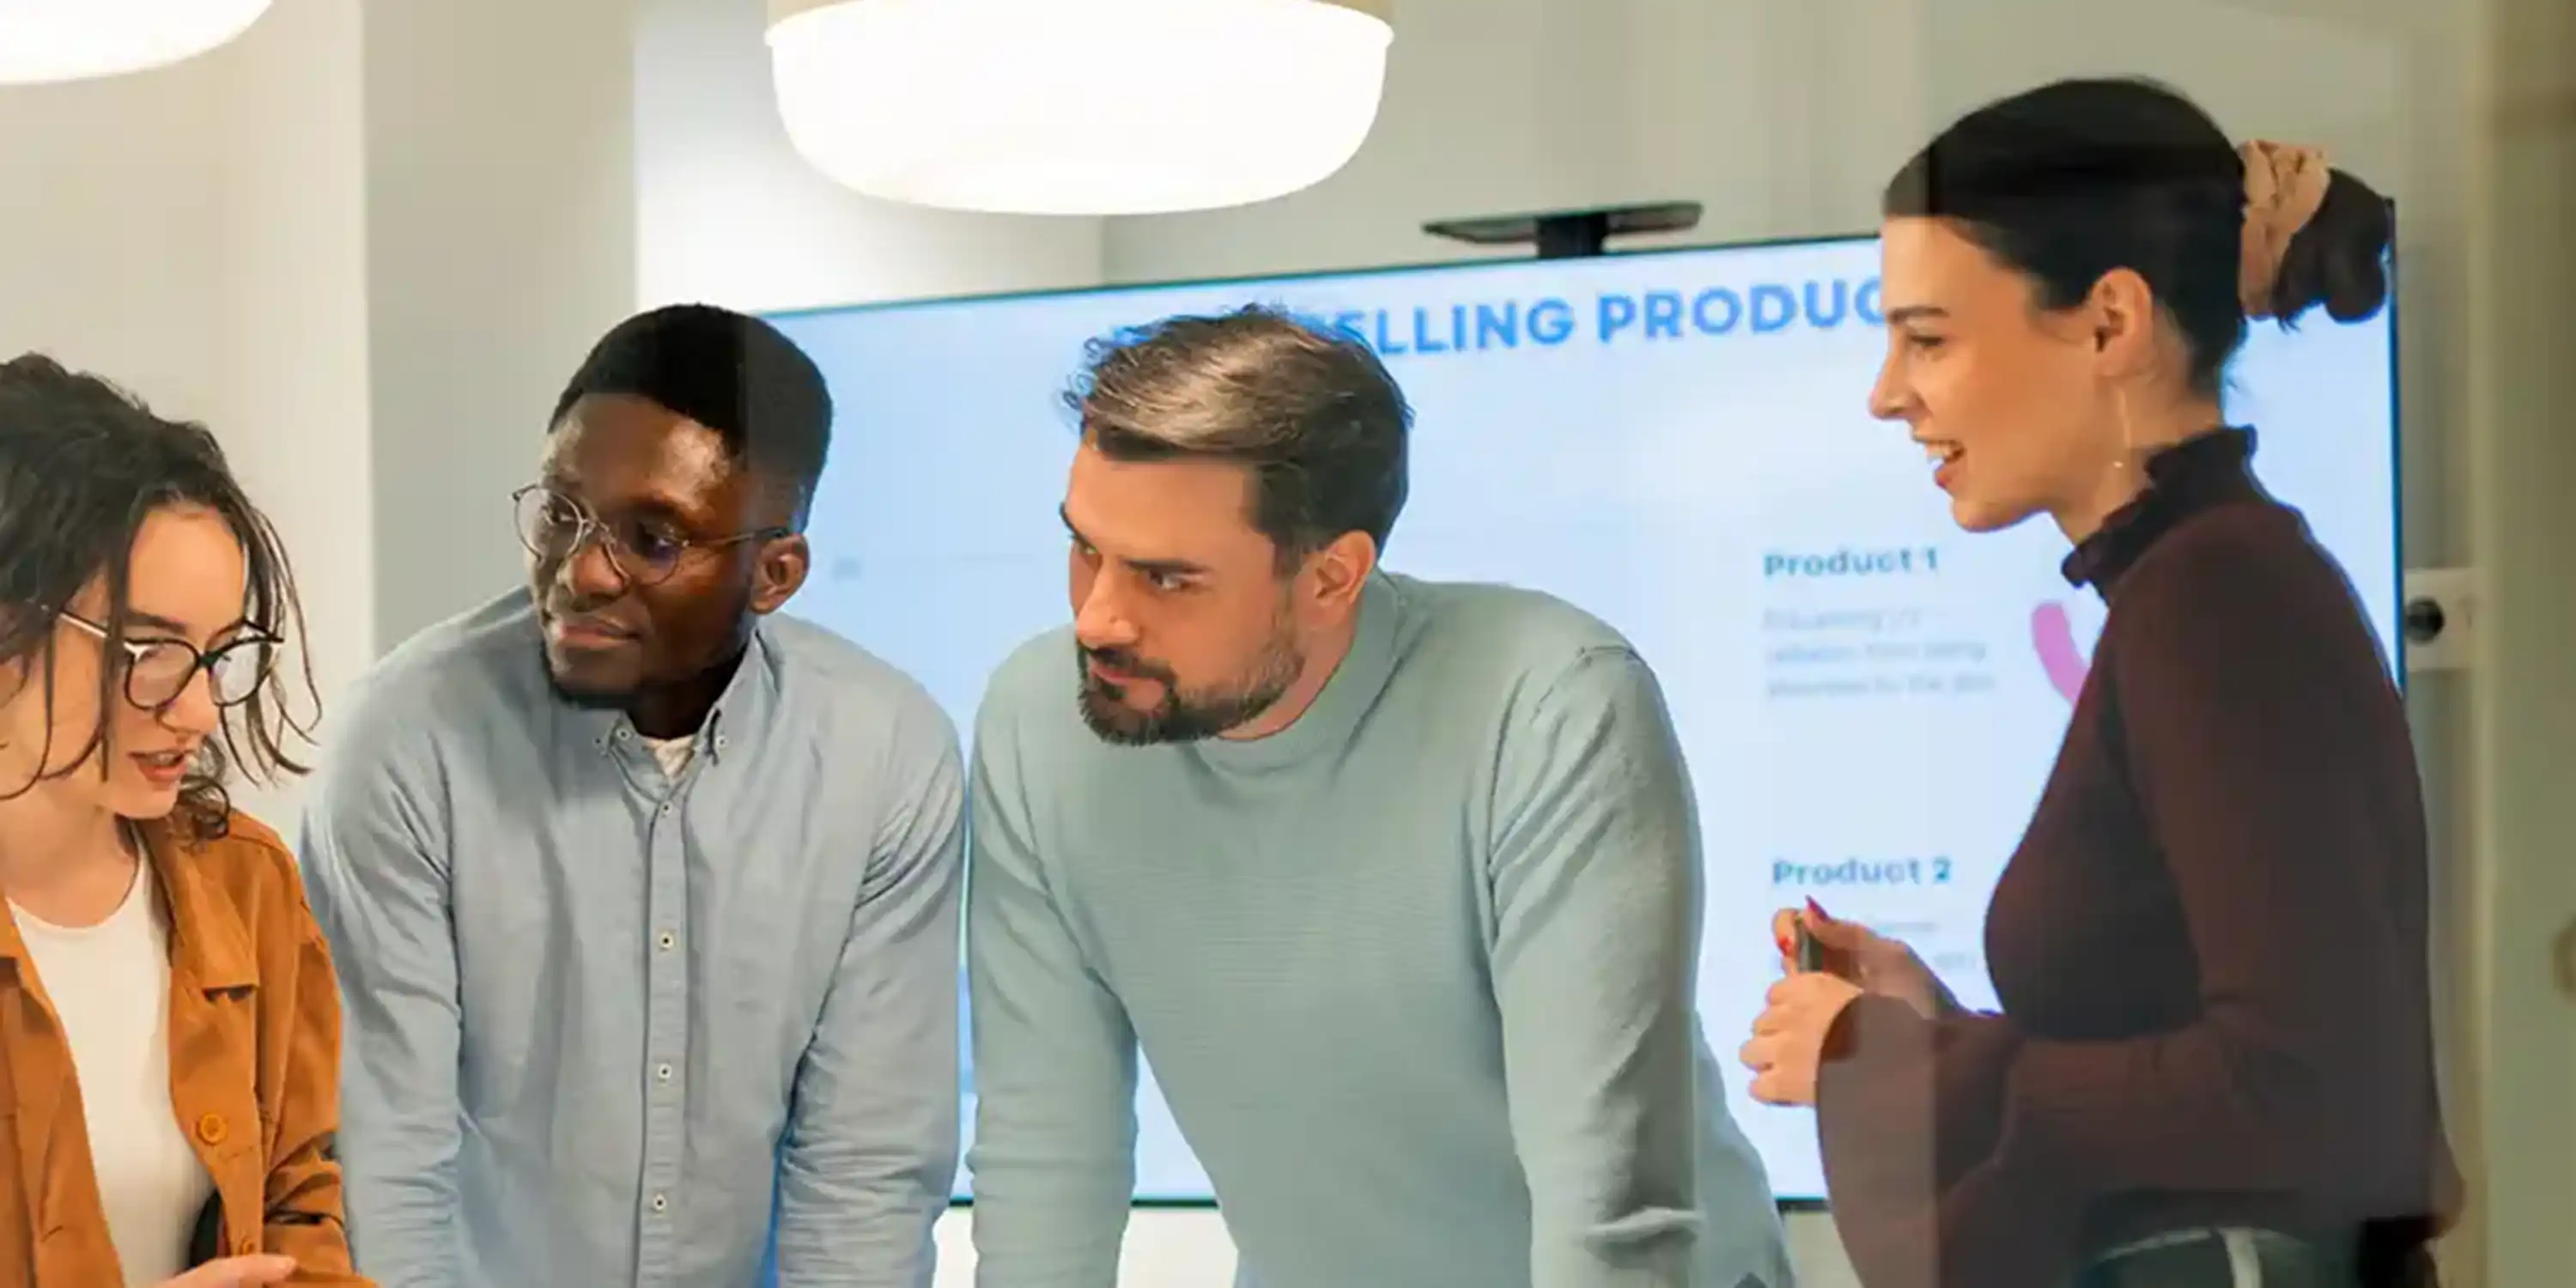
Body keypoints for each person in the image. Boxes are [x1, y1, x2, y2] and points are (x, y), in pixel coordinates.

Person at [1737, 78, 2457, 1288]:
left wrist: (1892, 1062)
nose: (1887, 392)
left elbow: (2301, 1094)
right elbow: (2202, 1082)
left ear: (2112, 324)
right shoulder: (2205, 585)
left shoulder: (2219, 600)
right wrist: (1930, 1028)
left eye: (1928, 338)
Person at [966, 306, 1795, 1288]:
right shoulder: (1039, 723)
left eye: (1166, 579)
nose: (1099, 618)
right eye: (1085, 549)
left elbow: (1609, 1211)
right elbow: (1044, 1152)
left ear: (1332, 577)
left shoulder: (1551, 706)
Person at [300, 306, 964, 1286]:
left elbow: (862, 1174)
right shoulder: (406, 739)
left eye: (653, 539)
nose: (579, 572)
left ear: (775, 573)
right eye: (560, 514)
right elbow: (384, 1158)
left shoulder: (887, 757)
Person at [0, 355, 361, 1287]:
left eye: (219, 653)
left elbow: (298, 1205)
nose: (198, 711)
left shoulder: (248, 886)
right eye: (149, 652)